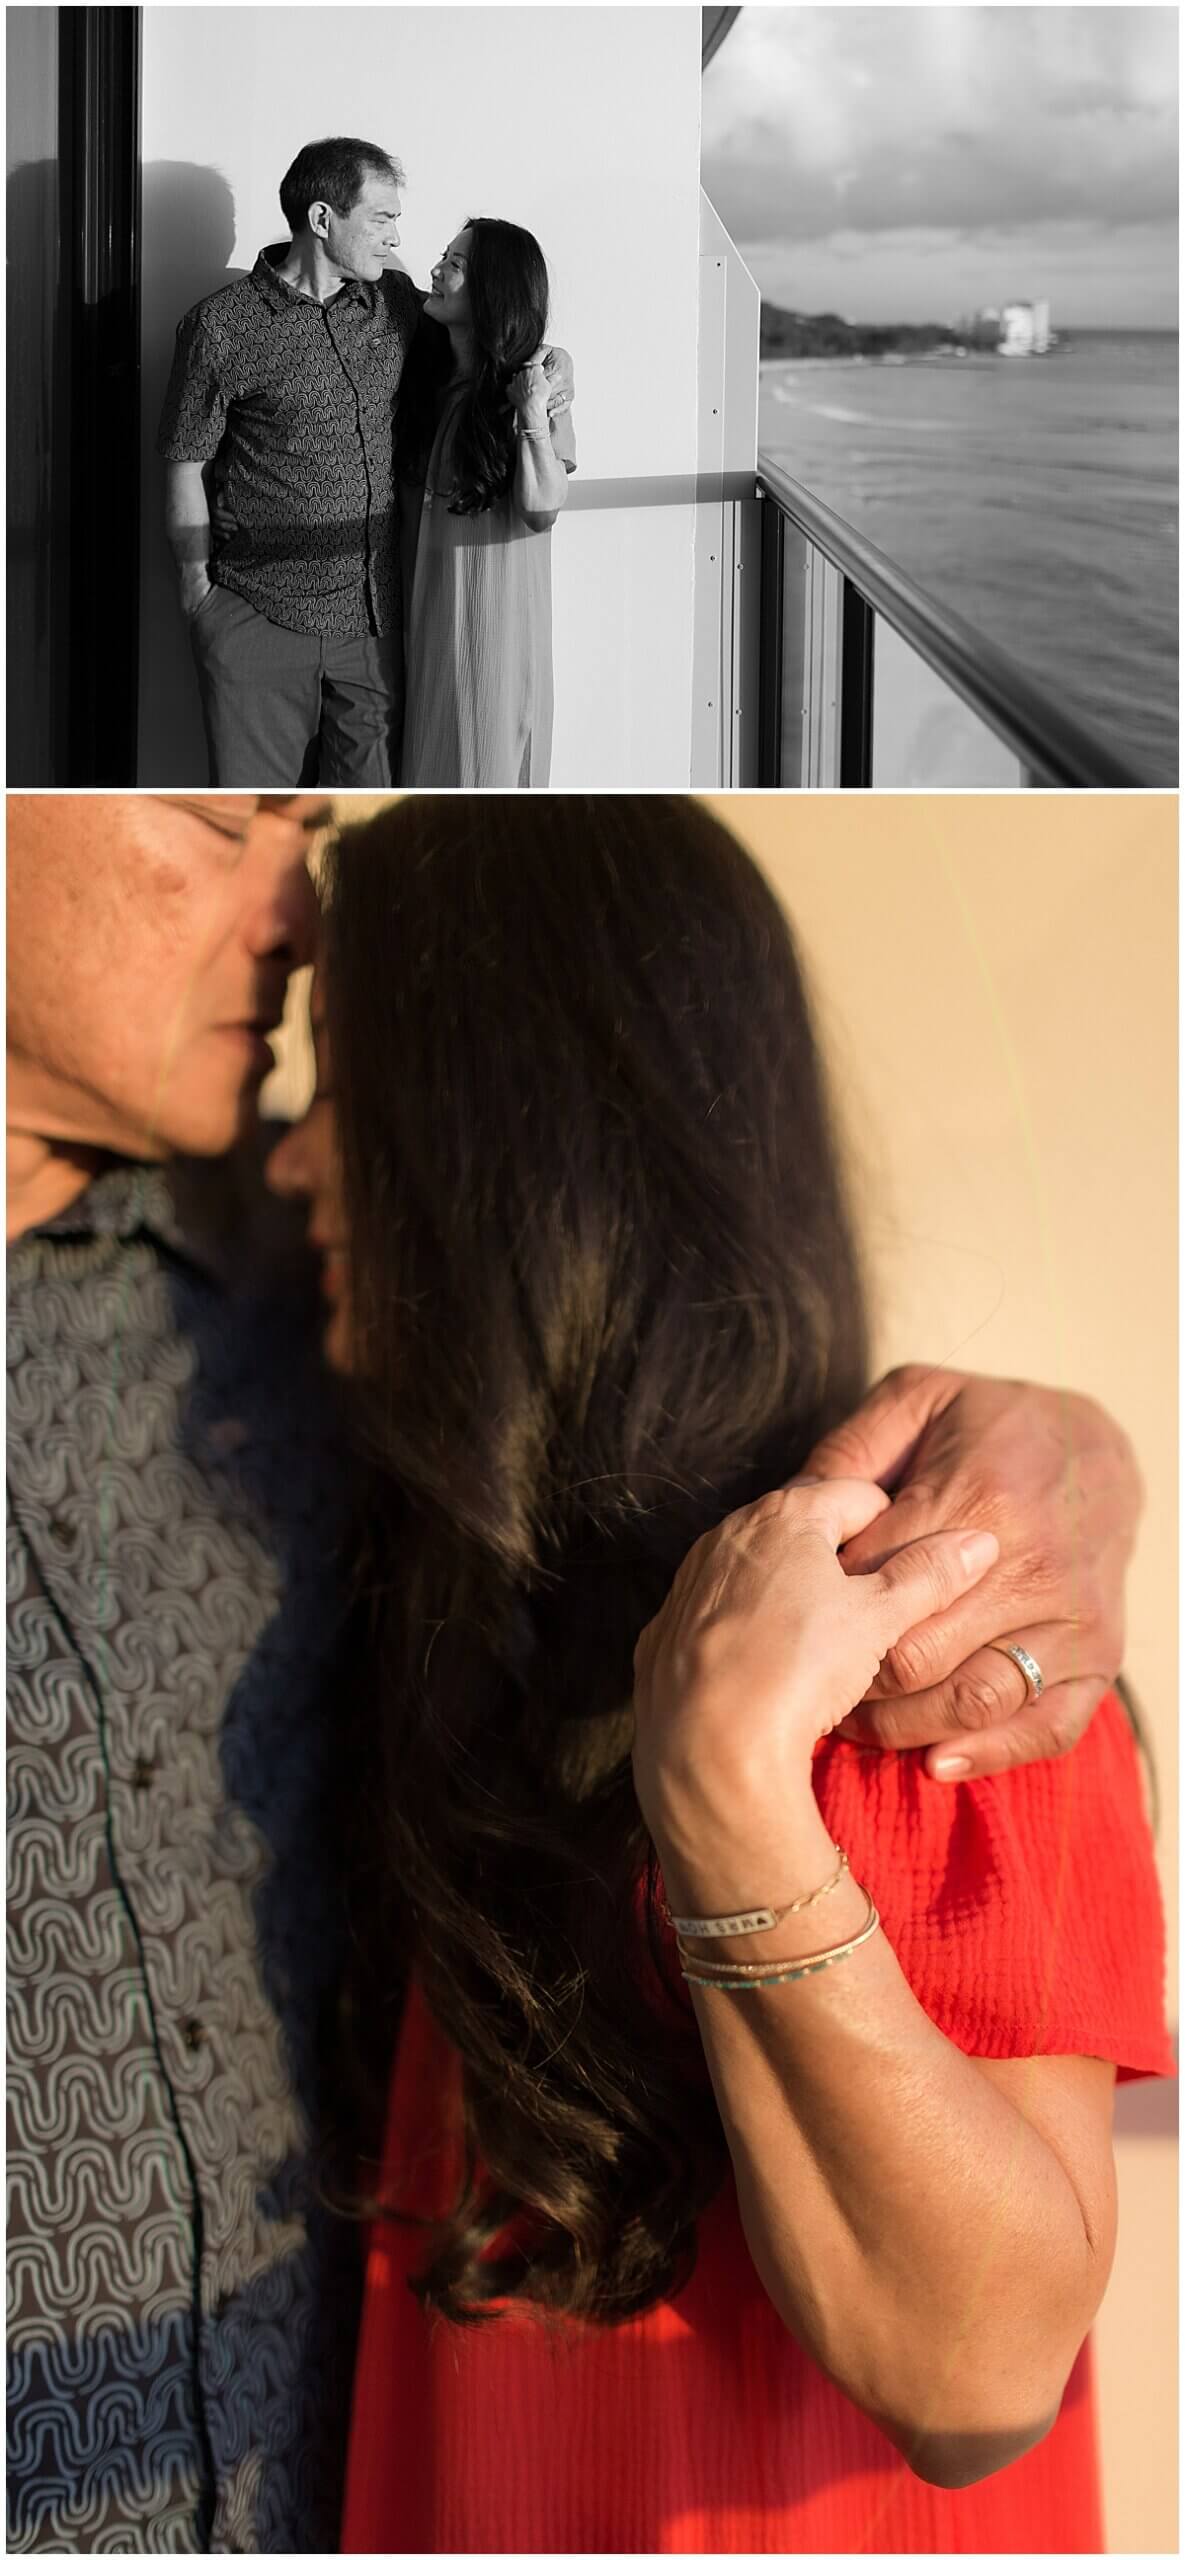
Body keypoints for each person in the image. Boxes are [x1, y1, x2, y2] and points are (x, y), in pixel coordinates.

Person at [3, 792, 1151, 2555]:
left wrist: (735, 1779)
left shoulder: (919, 1672)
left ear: (512, 1156)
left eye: (363, 1084)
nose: (307, 1147)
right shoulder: (444, 1591)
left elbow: (982, 2377)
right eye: (223, 812)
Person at [157, 143, 572, 789]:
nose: (396, 238)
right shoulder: (221, 326)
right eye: (380, 219)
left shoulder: (400, 305)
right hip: (257, 617)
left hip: (378, 626)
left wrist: (552, 360)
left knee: (371, 822)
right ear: (324, 219)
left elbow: (492, 334)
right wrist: (198, 599)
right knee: (262, 826)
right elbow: (186, 463)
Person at [397, 219, 575, 785]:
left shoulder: (533, 386)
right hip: (420, 634)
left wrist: (531, 412)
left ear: (493, 288)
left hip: (491, 641)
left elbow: (542, 508)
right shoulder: (428, 378)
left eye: (456, 263)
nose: (436, 270)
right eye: (443, 256)